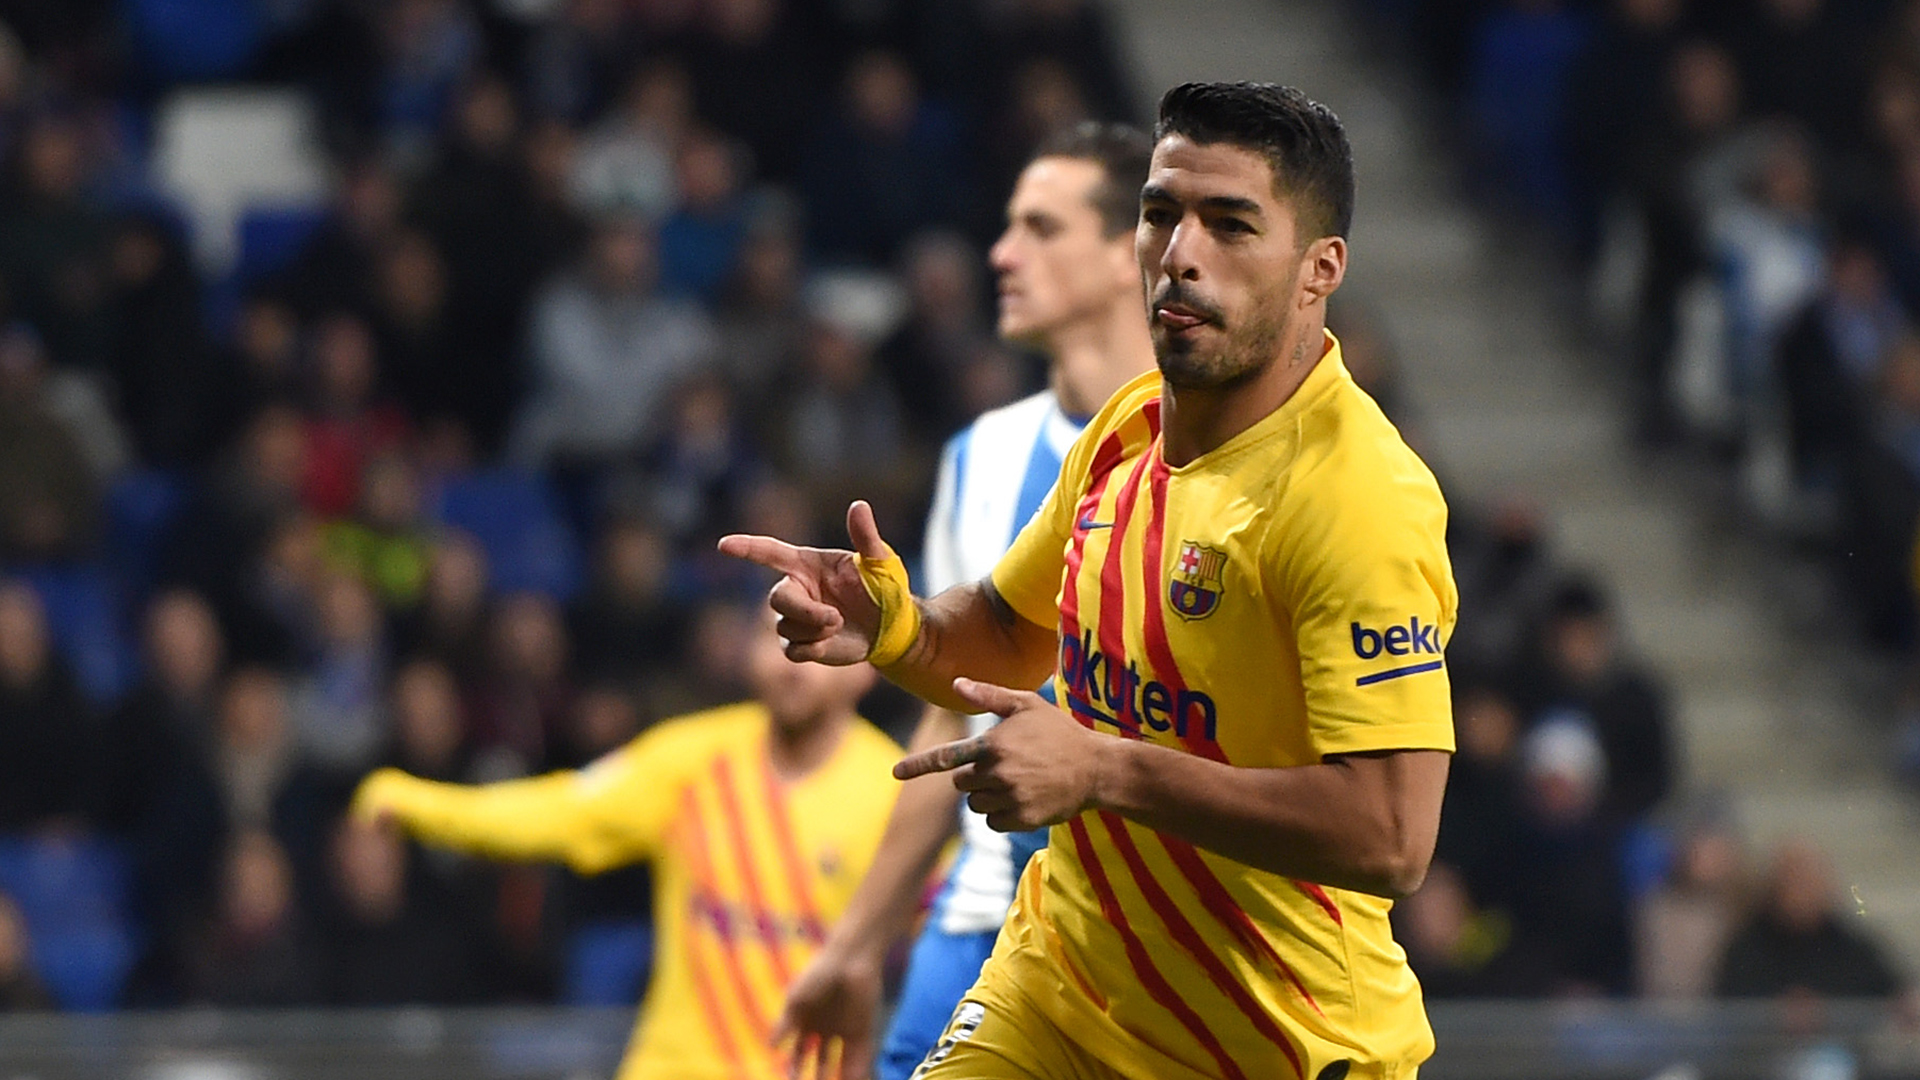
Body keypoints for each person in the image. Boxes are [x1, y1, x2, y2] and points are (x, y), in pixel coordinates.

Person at [723, 82, 1456, 1080]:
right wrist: (892, 625)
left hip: (1269, 1044)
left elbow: (1391, 836)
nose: (1180, 253)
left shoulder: (1354, 498)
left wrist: (1106, 769)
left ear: (1320, 269)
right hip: (1058, 992)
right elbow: (1000, 633)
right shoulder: (1127, 430)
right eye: (1162, 214)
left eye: (1231, 224)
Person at [776, 122, 1156, 1080]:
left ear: (1127, 257)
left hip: (1149, 929)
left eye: (1040, 227)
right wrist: (858, 942)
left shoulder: (1208, 451)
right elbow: (950, 712)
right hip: (986, 912)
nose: (1002, 252)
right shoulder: (980, 456)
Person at [349, 617, 902, 1080]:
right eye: (776, 636)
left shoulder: (896, 794)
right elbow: (560, 813)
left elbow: (945, 935)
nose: (791, 661)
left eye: (820, 643)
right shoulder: (691, 762)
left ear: (866, 666)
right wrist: (416, 805)